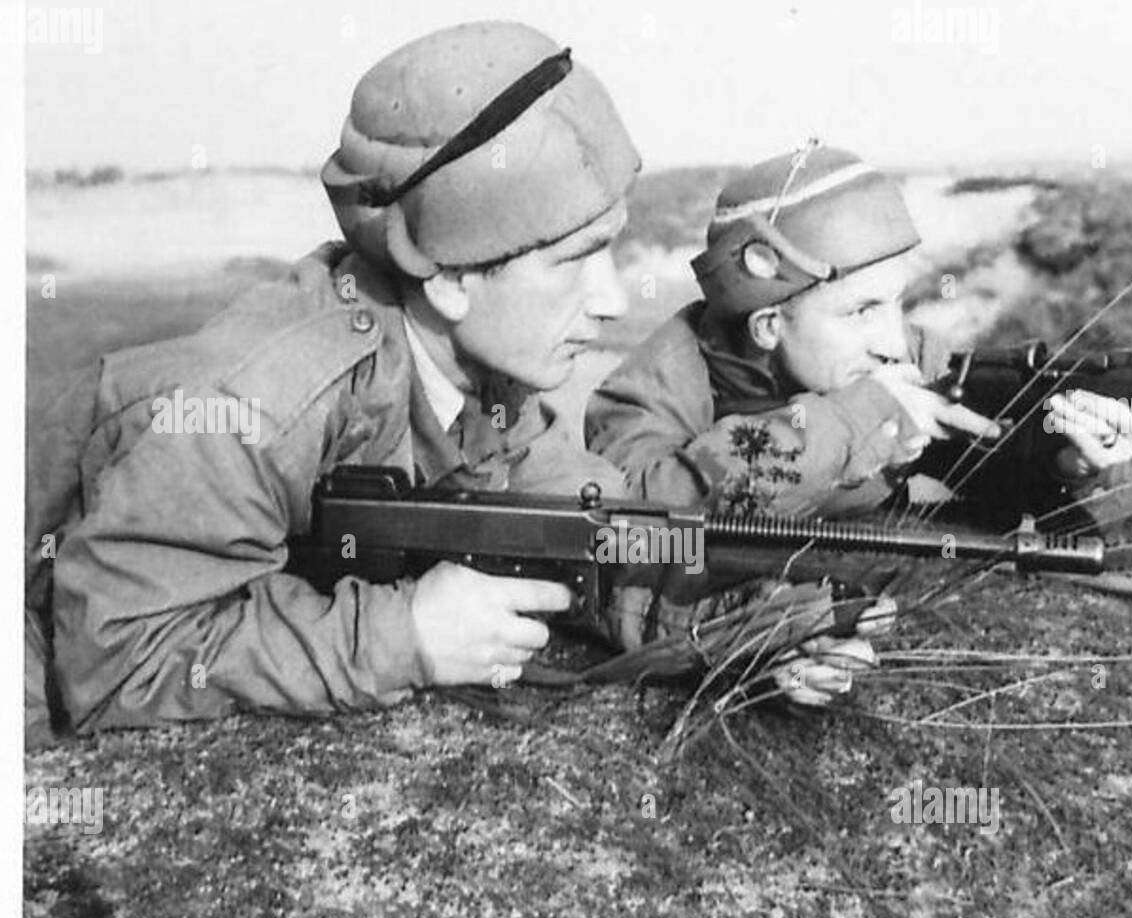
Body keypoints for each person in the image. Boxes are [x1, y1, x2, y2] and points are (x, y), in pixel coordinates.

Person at [24, 24, 879, 741]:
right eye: (575, 261)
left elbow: (605, 543)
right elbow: (115, 656)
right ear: (452, 279)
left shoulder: (488, 389)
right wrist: (406, 637)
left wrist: (764, 624)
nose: (614, 299)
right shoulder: (256, 404)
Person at [585, 144, 1132, 524]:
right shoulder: (651, 391)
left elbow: (980, 459)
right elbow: (634, 528)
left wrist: (1061, 457)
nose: (894, 343)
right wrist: (854, 423)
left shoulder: (897, 357)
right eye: (862, 311)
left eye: (896, 304)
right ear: (768, 325)